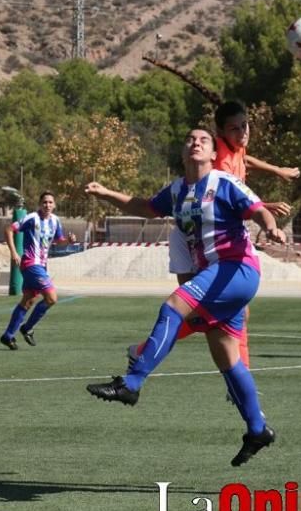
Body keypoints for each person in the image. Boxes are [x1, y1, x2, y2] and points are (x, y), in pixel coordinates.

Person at [85, 129, 286, 466]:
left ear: (212, 154)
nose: (196, 142)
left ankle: (132, 383)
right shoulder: (178, 190)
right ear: (183, 152)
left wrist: (270, 226)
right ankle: (257, 428)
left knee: (172, 306)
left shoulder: (224, 183)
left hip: (236, 269)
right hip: (217, 278)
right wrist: (105, 193)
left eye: (204, 140)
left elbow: (258, 209)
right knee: (226, 358)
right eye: (190, 139)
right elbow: (145, 207)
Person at [129, 100, 299, 371]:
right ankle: (143, 353)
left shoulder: (236, 151)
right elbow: (222, 198)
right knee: (198, 309)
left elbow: (246, 161)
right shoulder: (218, 157)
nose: (243, 132)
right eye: (235, 128)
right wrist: (263, 207)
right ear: (220, 135)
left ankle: (239, 370)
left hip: (216, 233)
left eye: (245, 126)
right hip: (195, 234)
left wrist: (277, 171)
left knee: (233, 310)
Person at [0, 191, 74, 350]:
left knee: (28, 301)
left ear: (54, 205)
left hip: (42, 265)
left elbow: (59, 241)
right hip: (31, 263)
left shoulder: (55, 220)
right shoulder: (32, 218)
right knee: (52, 297)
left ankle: (8, 336)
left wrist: (68, 240)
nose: (47, 205)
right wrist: (13, 252)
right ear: (40, 204)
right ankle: (27, 328)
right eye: (44, 202)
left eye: (50, 202)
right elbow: (9, 230)